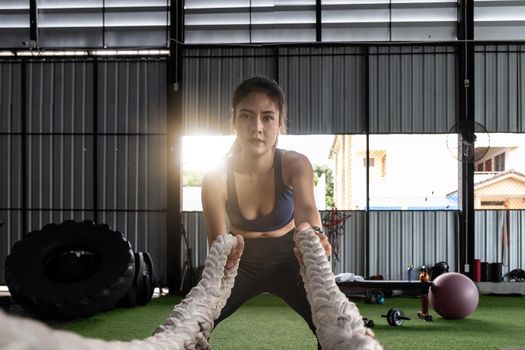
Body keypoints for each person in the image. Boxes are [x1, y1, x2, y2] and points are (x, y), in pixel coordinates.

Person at [201, 76, 332, 344]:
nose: (256, 128)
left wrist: (316, 235)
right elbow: (218, 242)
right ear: (234, 121)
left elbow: (306, 212)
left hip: (289, 257)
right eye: (246, 116)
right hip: (240, 261)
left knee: (330, 324)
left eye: (268, 117)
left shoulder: (296, 164)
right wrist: (225, 260)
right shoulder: (215, 176)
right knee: (195, 324)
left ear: (280, 122)